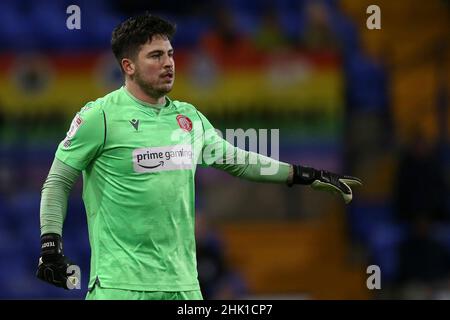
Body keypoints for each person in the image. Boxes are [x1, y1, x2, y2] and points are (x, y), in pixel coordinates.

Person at [36, 13, 362, 300]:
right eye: (155, 56)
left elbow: (238, 160)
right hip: (121, 287)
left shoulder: (188, 119)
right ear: (128, 66)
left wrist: (305, 174)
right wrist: (51, 245)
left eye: (170, 54)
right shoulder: (100, 117)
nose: (168, 63)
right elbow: (57, 182)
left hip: (183, 286)